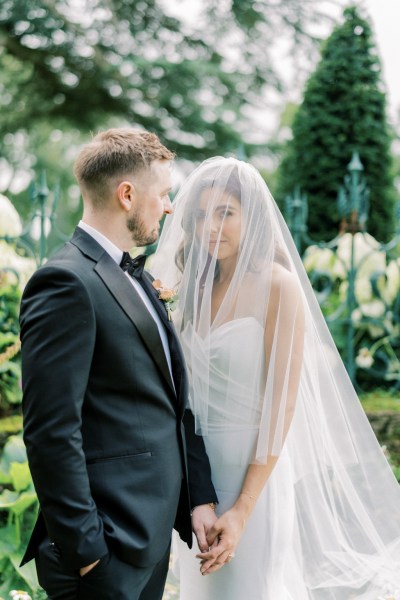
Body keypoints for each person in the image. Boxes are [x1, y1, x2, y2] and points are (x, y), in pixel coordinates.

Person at [151, 156, 400, 599]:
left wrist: (243, 510)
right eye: (203, 215)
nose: (212, 227)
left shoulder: (278, 287)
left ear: (253, 217)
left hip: (254, 477)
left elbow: (281, 406)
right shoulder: (191, 287)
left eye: (226, 212)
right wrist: (192, 492)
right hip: (196, 483)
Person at [19, 128, 219, 600]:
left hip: (146, 542)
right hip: (105, 554)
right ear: (127, 195)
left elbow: (172, 401)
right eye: (164, 194)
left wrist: (199, 496)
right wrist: (89, 553)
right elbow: (51, 431)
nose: (170, 207)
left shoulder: (138, 277)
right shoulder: (65, 283)